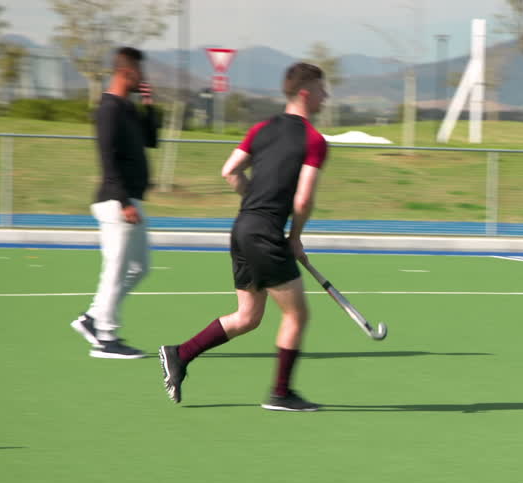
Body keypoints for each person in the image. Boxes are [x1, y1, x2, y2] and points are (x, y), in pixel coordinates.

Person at [158, 62, 329, 411]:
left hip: (241, 229)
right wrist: (293, 236)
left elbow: (229, 171)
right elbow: (304, 199)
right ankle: (281, 393)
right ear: (306, 93)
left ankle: (180, 354)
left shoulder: (262, 128)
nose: (327, 97)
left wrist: (254, 204)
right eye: (323, 90)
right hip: (265, 234)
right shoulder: (314, 140)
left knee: (248, 317)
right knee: (297, 316)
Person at [70, 46, 160, 359]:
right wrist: (123, 201)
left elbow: (152, 140)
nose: (143, 78)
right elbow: (107, 159)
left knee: (139, 268)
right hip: (116, 202)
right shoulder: (108, 109)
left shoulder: (128, 108)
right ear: (127, 72)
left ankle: (94, 318)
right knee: (116, 269)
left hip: (130, 200)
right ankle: (105, 338)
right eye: (140, 73)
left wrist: (149, 104)